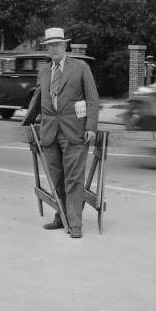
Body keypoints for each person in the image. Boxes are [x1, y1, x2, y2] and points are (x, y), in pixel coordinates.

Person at [22, 27, 100, 238]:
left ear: (65, 45)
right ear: (47, 49)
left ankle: (75, 224)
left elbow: (93, 100)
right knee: (55, 178)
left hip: (75, 132)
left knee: (74, 179)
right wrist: (27, 122)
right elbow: (39, 99)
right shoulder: (45, 70)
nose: (54, 48)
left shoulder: (81, 67)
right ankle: (61, 216)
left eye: (57, 44)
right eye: (50, 46)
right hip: (49, 133)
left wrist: (91, 128)